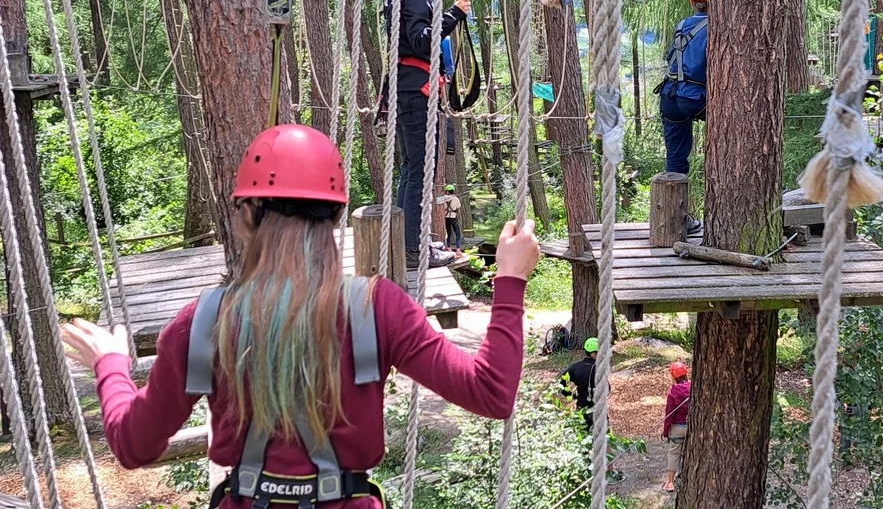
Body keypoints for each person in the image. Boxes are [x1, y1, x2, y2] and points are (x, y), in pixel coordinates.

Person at [60, 124, 539, 509]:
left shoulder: (203, 322)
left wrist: (111, 366)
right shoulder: (378, 308)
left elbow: (133, 446)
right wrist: (510, 278)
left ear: (246, 214)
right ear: (335, 217)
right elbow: (491, 392)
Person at [382, 0, 471, 269]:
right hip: (416, 90)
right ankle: (413, 251)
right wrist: (454, 15)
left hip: (403, 89)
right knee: (419, 170)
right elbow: (422, 41)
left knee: (410, 169)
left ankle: (409, 244)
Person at [655, 0, 709, 234]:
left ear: (692, 0)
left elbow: (671, 59)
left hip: (670, 96)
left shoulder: (681, 25)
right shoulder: (717, 27)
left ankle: (679, 221)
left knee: (676, 159)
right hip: (696, 97)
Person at [662, 361, 690, 492]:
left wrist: (666, 431)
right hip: (692, 426)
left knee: (674, 453)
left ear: (673, 376)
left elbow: (669, 414)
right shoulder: (694, 387)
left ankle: (670, 482)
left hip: (678, 427)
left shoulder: (673, 392)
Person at [560, 337, 598, 426]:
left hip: (580, 408)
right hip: (596, 409)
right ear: (593, 354)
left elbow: (562, 383)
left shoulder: (575, 367)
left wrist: (571, 396)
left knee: (582, 434)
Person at [443, 184, 462, 252]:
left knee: (448, 233)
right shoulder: (456, 199)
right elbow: (458, 208)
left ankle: (448, 248)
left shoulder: (442, 198)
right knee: (458, 234)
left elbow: (437, 201)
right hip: (453, 218)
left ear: (447, 191)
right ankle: (458, 249)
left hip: (446, 217)